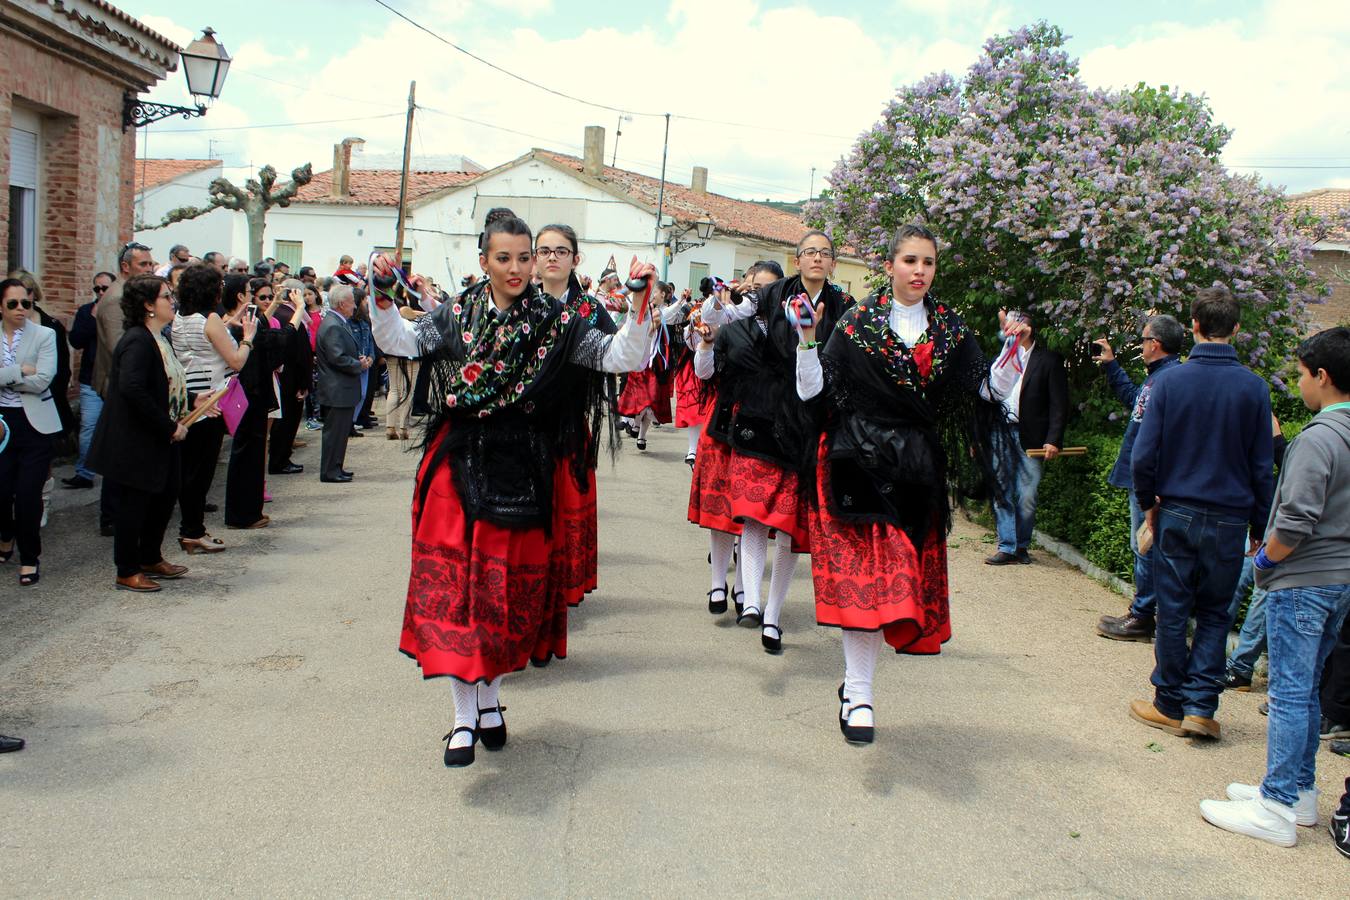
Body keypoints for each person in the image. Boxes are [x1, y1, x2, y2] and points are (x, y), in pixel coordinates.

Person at [368, 207, 654, 768]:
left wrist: (641, 305)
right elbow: (401, 340)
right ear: (484, 261)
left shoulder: (558, 318)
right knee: (456, 590)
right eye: (506, 258)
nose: (519, 267)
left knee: (500, 595)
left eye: (525, 257)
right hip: (457, 459)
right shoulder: (458, 314)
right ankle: (461, 719)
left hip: (522, 465)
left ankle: (492, 701)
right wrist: (381, 294)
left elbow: (621, 355)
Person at [795, 224, 1014, 743]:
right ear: (890, 265)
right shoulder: (856, 324)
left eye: (929, 263)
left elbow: (984, 389)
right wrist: (807, 341)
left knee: (898, 583)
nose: (920, 271)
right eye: (910, 261)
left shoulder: (952, 330)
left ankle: (856, 691)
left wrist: (1011, 353)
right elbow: (815, 394)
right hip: (859, 462)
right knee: (873, 582)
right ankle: (859, 691)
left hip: (917, 469)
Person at [1198, 326, 1350, 846]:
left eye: (1303, 373)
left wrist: (1263, 558)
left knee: (1289, 693)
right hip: (1338, 580)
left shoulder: (1318, 439)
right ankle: (1297, 792)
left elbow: (1295, 520)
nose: (1299, 382)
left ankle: (1278, 804)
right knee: (1304, 691)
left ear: (1322, 377)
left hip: (1303, 579)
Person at [694, 234, 852, 655]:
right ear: (797, 260)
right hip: (762, 421)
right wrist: (714, 328)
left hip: (814, 422)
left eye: (825, 253)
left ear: (833, 263)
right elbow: (732, 317)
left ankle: (774, 617)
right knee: (755, 515)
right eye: (809, 252)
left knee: (790, 530)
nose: (817, 258)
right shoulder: (775, 297)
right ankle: (751, 600)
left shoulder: (846, 310)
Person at [1129, 285, 1274, 741]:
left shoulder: (1170, 381)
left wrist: (1149, 503)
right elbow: (1260, 466)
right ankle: (1201, 707)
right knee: (1215, 613)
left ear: (1193, 325)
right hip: (1230, 517)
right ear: (1236, 329)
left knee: (1173, 609)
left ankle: (1169, 702)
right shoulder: (1254, 388)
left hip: (1179, 509)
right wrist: (1260, 523)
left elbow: (1143, 455)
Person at [87, 275, 213, 592]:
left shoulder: (159, 337)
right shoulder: (136, 340)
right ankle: (127, 569)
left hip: (160, 436)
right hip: (136, 440)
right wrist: (169, 425)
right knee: (135, 505)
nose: (172, 301)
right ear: (147, 305)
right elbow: (132, 388)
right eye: (166, 296)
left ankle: (150, 557)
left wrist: (189, 400)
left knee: (166, 493)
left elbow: (165, 383)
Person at [686, 263, 784, 626]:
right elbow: (704, 372)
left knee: (752, 513)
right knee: (720, 509)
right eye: (753, 286)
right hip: (726, 424)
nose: (758, 294)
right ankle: (717, 583)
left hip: (767, 427)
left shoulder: (787, 332)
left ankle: (744, 588)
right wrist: (707, 344)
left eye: (768, 289)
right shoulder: (730, 323)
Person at [534, 222, 617, 608]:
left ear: (575, 259)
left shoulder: (589, 308)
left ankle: (564, 583)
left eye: (561, 251)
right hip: (520, 424)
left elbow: (616, 353)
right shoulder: (519, 301)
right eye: (545, 250)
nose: (552, 257)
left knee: (566, 508)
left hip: (567, 421)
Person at [1094, 316, 1185, 639]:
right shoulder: (1158, 378)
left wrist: (1153, 485)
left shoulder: (1170, 379)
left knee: (1146, 546)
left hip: (1150, 482)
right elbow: (1135, 402)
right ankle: (1144, 611)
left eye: (1144, 340)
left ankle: (1143, 615)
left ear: (1155, 344)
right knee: (1144, 546)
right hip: (1143, 478)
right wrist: (1111, 366)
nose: (1142, 346)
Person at [173, 264, 256, 553]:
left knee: (190, 468)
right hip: (212, 399)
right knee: (201, 470)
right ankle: (193, 530)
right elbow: (235, 361)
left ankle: (191, 528)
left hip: (189, 395)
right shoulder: (209, 319)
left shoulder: (179, 319)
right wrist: (248, 337)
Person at [984, 309, 1068, 565]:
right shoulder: (1002, 357)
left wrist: (1053, 438)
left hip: (1030, 434)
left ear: (1028, 328)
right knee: (1002, 490)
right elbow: (990, 396)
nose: (1011, 329)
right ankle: (1007, 546)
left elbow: (1059, 403)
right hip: (1000, 430)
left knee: (1027, 494)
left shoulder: (1048, 360)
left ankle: (1021, 545)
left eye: (1017, 324)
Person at [0, 278, 61, 586]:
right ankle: (6, 532)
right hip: (1, 423)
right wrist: (18, 371)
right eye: (13, 304)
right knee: (1, 492)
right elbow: (29, 377)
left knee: (27, 495)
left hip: (36, 424)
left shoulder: (44, 335)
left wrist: (3, 377)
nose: (21, 309)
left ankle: (29, 558)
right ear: (1, 306)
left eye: (26, 302)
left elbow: (43, 380)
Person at [223, 277, 287, 529]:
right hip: (248, 390)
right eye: (253, 293)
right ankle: (243, 514)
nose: (267, 301)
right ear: (241, 296)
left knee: (250, 453)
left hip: (252, 390)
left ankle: (248, 511)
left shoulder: (243, 319)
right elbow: (269, 340)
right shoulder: (236, 323)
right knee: (246, 454)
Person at [63, 272, 115, 490]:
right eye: (97, 289)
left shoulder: (120, 311)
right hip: (90, 379)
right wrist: (93, 318)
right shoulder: (86, 311)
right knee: (88, 427)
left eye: (105, 288)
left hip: (114, 380)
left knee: (114, 429)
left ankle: (113, 473)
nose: (101, 292)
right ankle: (84, 473)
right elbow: (76, 341)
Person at [615, 280, 680, 450]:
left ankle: (642, 435)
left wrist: (681, 302)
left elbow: (671, 315)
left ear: (662, 295)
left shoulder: (663, 313)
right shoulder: (644, 310)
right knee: (640, 400)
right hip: (640, 361)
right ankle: (635, 424)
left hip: (655, 363)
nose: (652, 295)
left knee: (650, 401)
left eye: (655, 292)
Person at [314, 283, 365, 483]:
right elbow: (337, 357)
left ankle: (336, 467)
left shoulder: (337, 321)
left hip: (341, 388)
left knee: (340, 433)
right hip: (337, 389)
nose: (355, 307)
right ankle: (330, 471)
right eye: (352, 303)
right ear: (342, 304)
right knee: (334, 434)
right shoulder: (334, 325)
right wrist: (357, 364)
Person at [267, 279, 313, 474]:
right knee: (287, 422)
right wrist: (305, 383)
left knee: (280, 421)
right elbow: (303, 355)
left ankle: (279, 458)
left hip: (280, 376)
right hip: (291, 379)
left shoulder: (275, 313)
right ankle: (280, 460)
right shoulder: (293, 318)